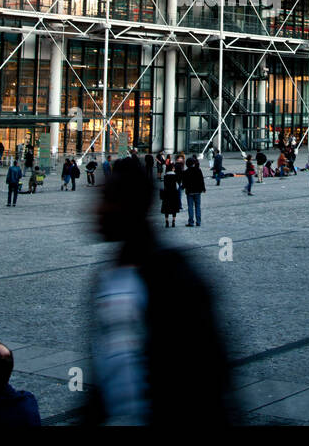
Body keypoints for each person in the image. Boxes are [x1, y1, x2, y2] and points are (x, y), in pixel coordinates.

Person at [86, 157, 234, 425]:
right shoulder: (108, 275)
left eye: (105, 199)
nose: (94, 210)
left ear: (127, 206)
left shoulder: (174, 276)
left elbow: (207, 374)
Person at [183, 156, 205, 227]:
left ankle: (191, 222)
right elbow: (201, 180)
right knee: (198, 207)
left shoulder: (186, 172)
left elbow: (184, 182)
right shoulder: (198, 170)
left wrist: (183, 187)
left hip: (189, 191)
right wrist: (203, 188)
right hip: (198, 191)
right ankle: (198, 222)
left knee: (190, 207)